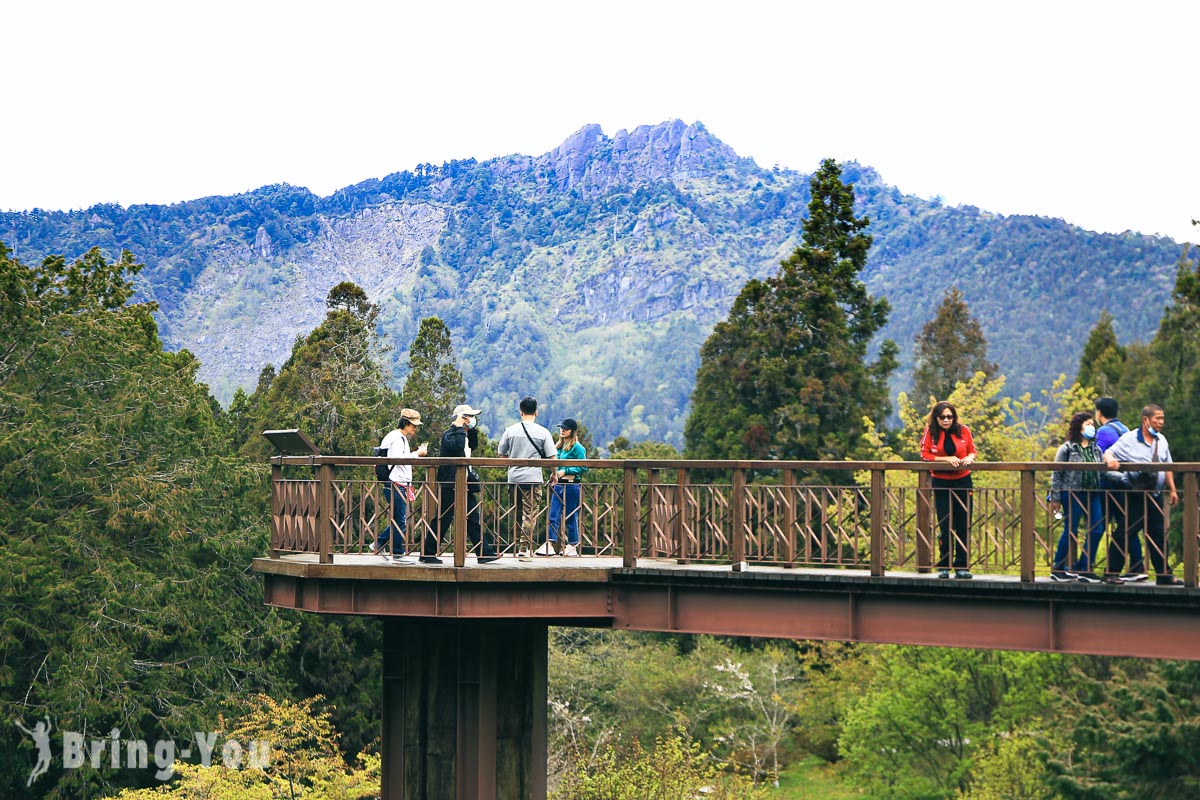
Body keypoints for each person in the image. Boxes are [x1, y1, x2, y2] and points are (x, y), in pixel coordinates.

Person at [1103, 404, 1181, 586]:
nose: (1161, 422)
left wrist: (1173, 488)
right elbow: (1109, 452)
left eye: (1162, 418)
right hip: (1136, 494)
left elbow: (1167, 464)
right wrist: (1111, 461)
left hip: (1155, 494)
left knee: (1158, 535)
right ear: (1146, 420)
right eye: (1157, 419)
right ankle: (1111, 572)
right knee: (1126, 532)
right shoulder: (1130, 439)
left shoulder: (1161, 440)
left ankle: (1164, 574)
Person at [429, 404, 498, 564]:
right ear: (461, 417)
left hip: (463, 483)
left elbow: (472, 444)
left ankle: (484, 553)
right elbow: (457, 446)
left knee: (472, 518)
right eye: (468, 417)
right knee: (443, 519)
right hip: (450, 483)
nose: (471, 420)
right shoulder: (449, 434)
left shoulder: (464, 435)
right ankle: (427, 552)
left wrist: (470, 429)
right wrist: (458, 426)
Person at [497, 397, 558, 561]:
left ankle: (516, 545)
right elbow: (552, 457)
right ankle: (524, 549)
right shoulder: (543, 432)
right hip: (533, 478)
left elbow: (501, 454)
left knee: (516, 513)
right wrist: (554, 474)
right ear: (536, 412)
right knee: (529, 514)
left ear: (520, 412)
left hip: (514, 478)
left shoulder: (510, 431)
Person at [920, 401, 977, 579]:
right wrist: (946, 459)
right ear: (936, 418)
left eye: (949, 416)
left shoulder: (964, 430)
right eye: (942, 417)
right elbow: (925, 454)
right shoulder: (931, 433)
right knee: (945, 524)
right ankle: (944, 565)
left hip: (963, 481)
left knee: (963, 523)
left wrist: (969, 457)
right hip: (941, 482)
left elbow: (973, 450)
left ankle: (962, 566)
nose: (946, 420)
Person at [1048, 412, 1105, 583]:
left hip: (1093, 492)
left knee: (1097, 528)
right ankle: (1058, 567)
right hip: (1072, 492)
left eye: (1092, 424)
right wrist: (1055, 497)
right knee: (1071, 530)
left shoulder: (1096, 448)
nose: (1091, 427)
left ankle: (1085, 567)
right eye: (1087, 424)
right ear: (1078, 427)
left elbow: (1102, 470)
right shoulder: (1067, 448)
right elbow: (1057, 473)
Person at [372, 409, 427, 564]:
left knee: (398, 519)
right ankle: (397, 553)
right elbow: (398, 459)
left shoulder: (399, 437)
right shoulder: (396, 438)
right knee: (400, 521)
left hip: (399, 483)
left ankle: (379, 544)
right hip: (395, 483)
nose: (415, 428)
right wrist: (418, 454)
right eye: (413, 425)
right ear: (406, 423)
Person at [1093, 396, 1131, 584]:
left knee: (1097, 525)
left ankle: (1085, 566)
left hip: (1108, 487)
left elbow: (1096, 457)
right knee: (1126, 524)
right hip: (1125, 485)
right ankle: (1137, 565)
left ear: (1099, 412)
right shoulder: (1125, 429)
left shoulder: (1104, 431)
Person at [538, 418, 588, 557]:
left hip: (571, 484)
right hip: (558, 484)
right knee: (553, 515)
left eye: (566, 429)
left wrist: (566, 471)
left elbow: (583, 467)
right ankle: (550, 543)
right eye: (561, 428)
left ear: (572, 431)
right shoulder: (558, 446)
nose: (562, 430)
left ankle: (572, 545)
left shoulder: (578, 447)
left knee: (571, 516)